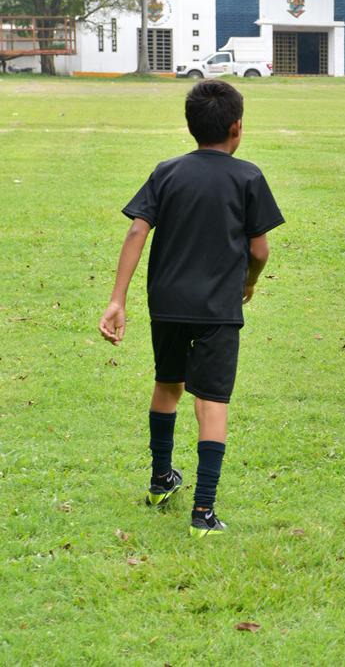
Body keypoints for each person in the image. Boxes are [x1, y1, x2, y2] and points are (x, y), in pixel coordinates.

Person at [97, 79, 284, 537]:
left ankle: (161, 479)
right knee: (212, 401)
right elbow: (259, 250)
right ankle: (203, 511)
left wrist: (117, 299)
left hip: (167, 304)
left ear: (190, 126)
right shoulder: (248, 177)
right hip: (218, 308)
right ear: (237, 127)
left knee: (168, 384)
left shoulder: (167, 172)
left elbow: (136, 231)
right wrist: (249, 281)